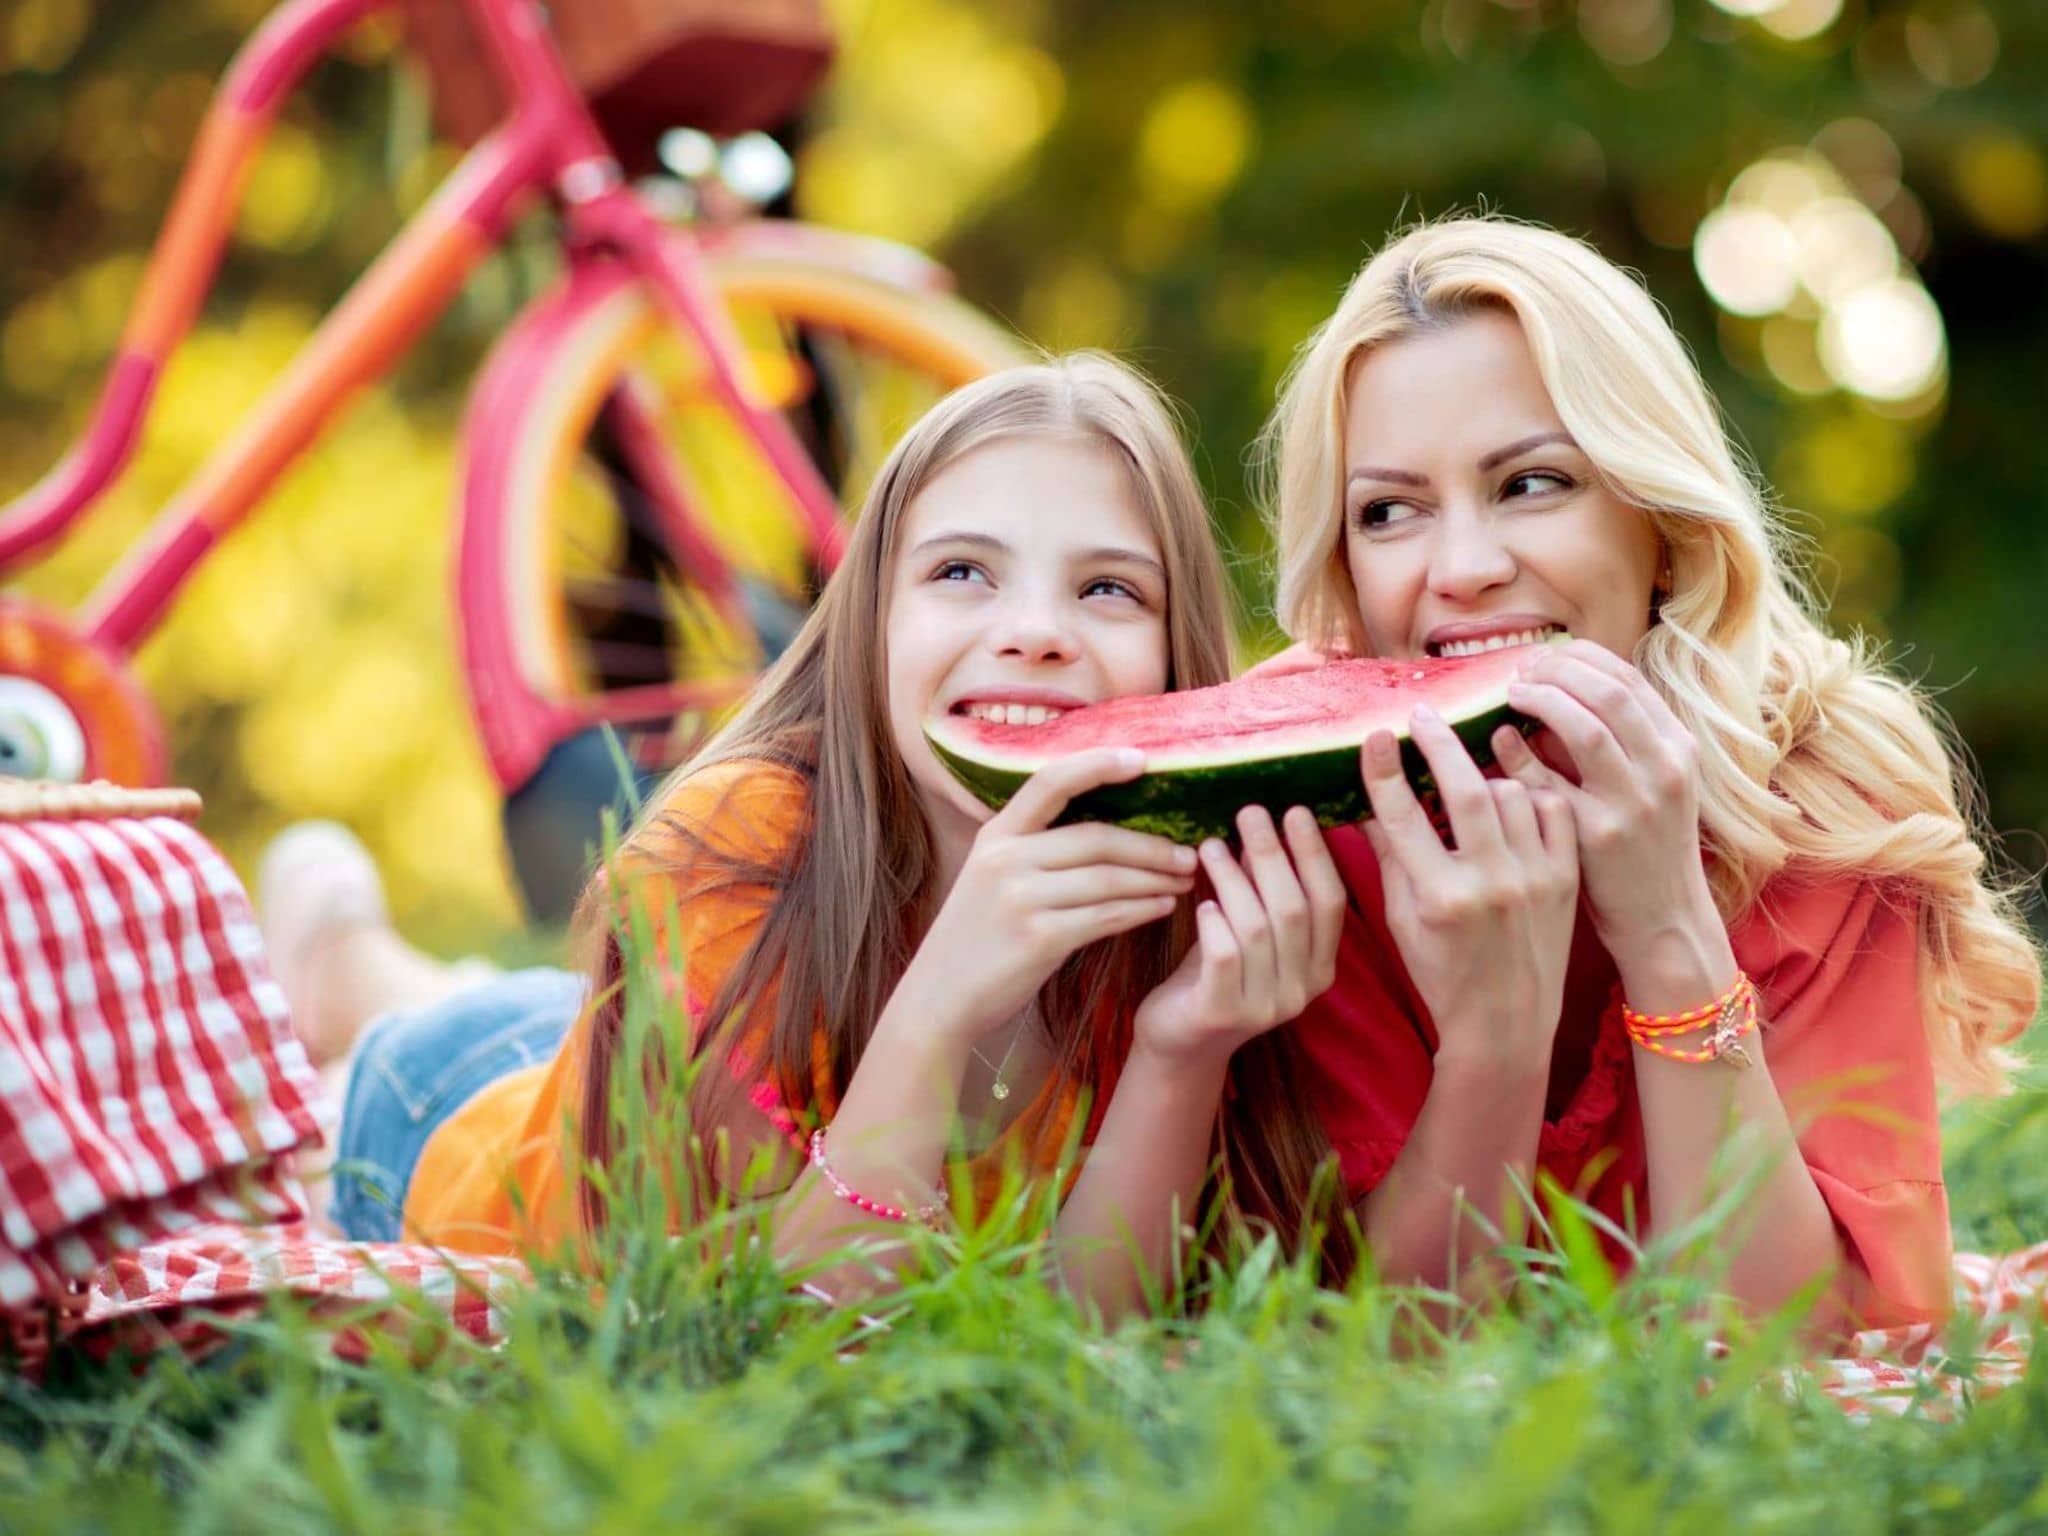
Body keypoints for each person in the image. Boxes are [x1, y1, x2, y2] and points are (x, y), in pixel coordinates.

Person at [277, 353, 1351, 1318]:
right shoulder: (731, 849)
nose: (1032, 632)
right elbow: (779, 1331)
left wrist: (1181, 1047)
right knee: (386, 1051)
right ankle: (333, 943)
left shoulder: (1168, 901)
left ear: (1176, 656)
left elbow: (1081, 1332)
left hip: (629, 1038)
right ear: (868, 623)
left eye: (1108, 589)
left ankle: (368, 958)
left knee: (522, 1008)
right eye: (960, 572)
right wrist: (941, 996)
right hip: (440, 1125)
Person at [1256, 216, 2041, 1335]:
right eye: (1389, 512)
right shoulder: (1299, 812)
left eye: (1530, 483)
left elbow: (1815, 1340)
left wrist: (1666, 924)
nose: (1464, 569)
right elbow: (1384, 1341)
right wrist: (1497, 1029)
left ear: (1656, 518)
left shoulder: (1825, 794)